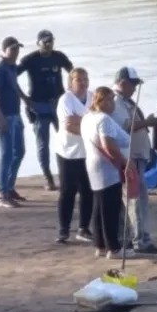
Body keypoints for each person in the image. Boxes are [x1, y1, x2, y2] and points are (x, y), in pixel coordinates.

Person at [111, 67, 157, 254]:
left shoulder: (125, 101)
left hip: (137, 157)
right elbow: (124, 127)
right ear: (123, 83)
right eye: (133, 84)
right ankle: (140, 240)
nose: (134, 88)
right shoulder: (116, 102)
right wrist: (147, 123)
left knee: (136, 199)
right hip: (130, 158)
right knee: (135, 200)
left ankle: (133, 238)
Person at [17, 30, 73, 191]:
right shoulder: (30, 59)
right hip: (38, 106)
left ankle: (67, 176)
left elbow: (73, 73)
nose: (48, 44)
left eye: (51, 41)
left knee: (67, 140)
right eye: (45, 42)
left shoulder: (59, 56)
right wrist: (24, 98)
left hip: (59, 105)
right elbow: (12, 77)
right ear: (38, 43)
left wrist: (70, 93)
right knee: (43, 144)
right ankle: (48, 178)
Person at [81, 87, 132, 259]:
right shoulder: (104, 119)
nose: (113, 104)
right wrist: (124, 162)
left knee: (99, 205)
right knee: (110, 208)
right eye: (109, 100)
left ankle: (100, 245)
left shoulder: (87, 118)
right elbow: (108, 145)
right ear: (100, 101)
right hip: (106, 166)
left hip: (93, 164)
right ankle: (113, 248)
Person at [54, 67, 94, 244]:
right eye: (79, 80)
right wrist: (90, 125)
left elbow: (100, 119)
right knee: (67, 191)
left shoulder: (93, 97)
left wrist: (81, 121)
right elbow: (69, 126)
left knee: (88, 190)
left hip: (88, 152)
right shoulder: (66, 100)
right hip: (68, 152)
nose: (83, 83)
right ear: (71, 83)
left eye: (86, 79)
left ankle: (84, 228)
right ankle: (64, 230)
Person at [0, 36, 27, 209]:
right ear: (4, 51)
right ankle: (2, 194)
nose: (16, 52)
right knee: (7, 154)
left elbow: (15, 87)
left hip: (16, 115)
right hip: (5, 116)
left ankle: (9, 188)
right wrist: (0, 117)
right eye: (12, 49)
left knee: (19, 151)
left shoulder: (12, 68)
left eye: (17, 49)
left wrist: (26, 100)